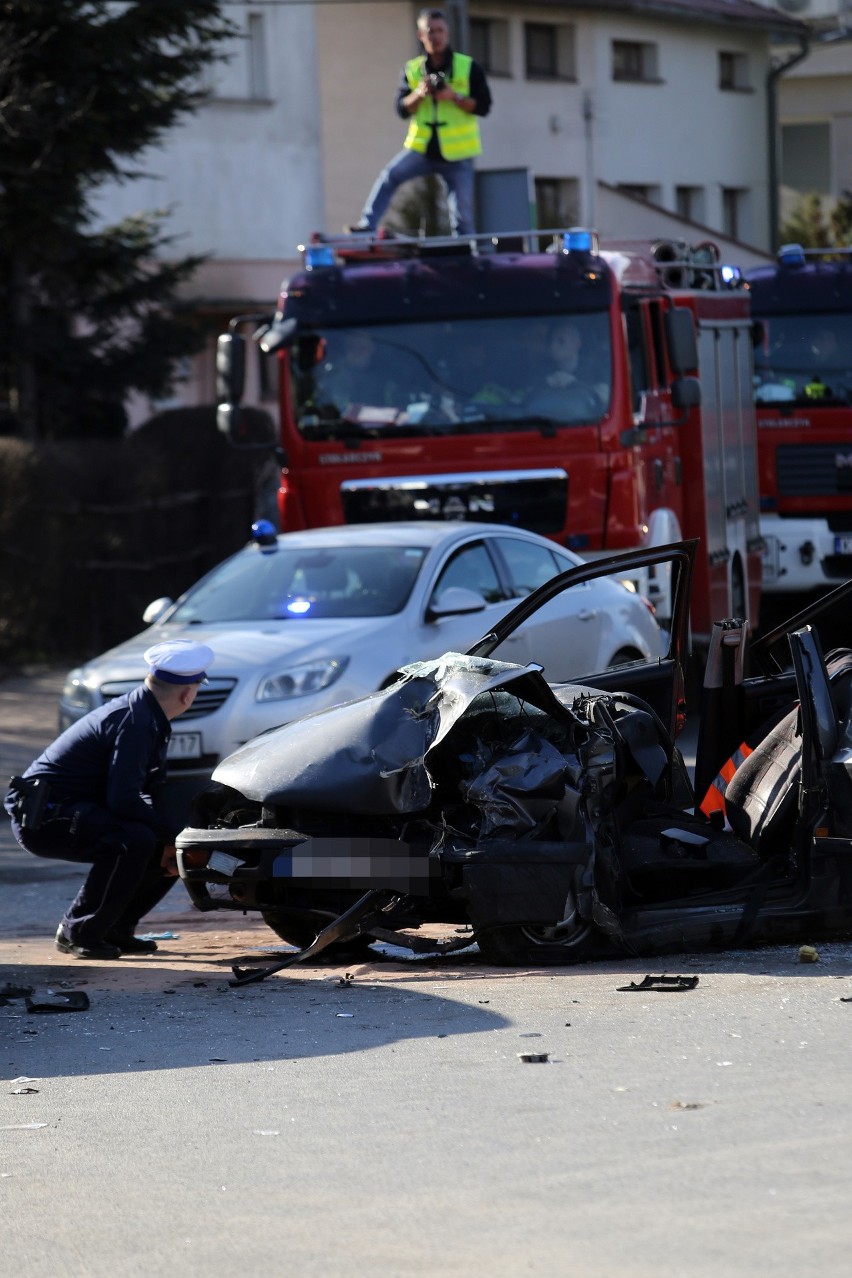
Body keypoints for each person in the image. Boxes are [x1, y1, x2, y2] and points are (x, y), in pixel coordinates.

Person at [3, 639, 214, 960]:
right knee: (133, 839)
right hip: (45, 818)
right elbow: (123, 800)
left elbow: (143, 793)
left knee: (168, 847)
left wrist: (174, 839)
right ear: (188, 694)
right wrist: (171, 834)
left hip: (72, 810)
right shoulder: (136, 722)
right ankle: (79, 931)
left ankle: (115, 928)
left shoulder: (146, 712)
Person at [349, 8, 492, 238]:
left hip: (458, 152)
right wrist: (419, 93)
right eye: (430, 31)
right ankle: (367, 225)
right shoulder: (413, 69)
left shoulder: (468, 67)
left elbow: (484, 106)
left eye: (440, 31)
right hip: (422, 148)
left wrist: (454, 97)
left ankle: (466, 250)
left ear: (447, 33)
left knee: (462, 210)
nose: (435, 36)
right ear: (421, 35)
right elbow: (401, 108)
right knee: (390, 176)